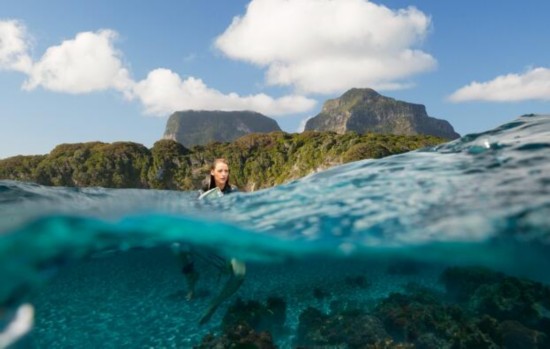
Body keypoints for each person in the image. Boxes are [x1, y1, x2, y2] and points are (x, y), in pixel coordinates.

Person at [175, 158, 245, 325]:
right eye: (220, 170)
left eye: (226, 171)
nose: (224, 174)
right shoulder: (202, 193)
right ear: (212, 172)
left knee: (240, 274)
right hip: (207, 237)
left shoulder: (234, 192)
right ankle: (192, 282)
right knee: (177, 247)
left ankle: (213, 305)